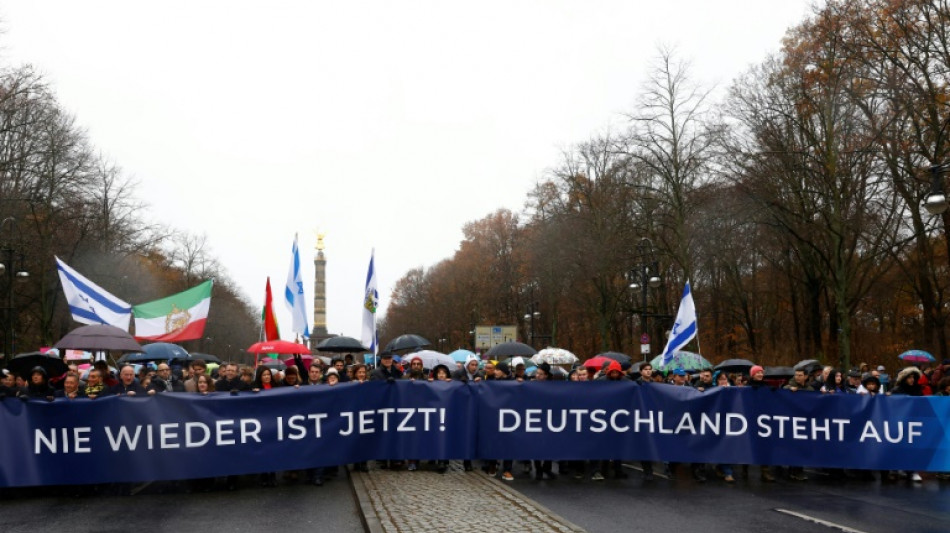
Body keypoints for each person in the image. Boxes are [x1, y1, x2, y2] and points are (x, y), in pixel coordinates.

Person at [531, 364, 557, 481]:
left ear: (546, 375)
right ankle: (538, 469)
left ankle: (547, 467)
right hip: (536, 418)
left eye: (541, 374)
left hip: (549, 418)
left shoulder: (552, 386)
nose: (538, 376)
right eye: (537, 373)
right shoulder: (531, 385)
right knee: (536, 444)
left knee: (550, 445)